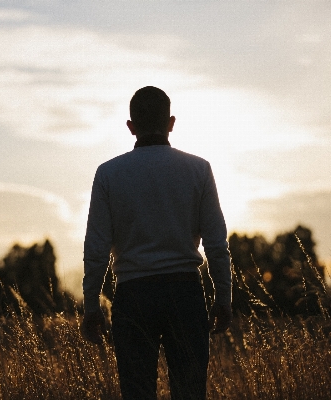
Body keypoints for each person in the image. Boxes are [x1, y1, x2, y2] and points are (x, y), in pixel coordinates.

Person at [82, 86, 232, 400]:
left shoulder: (108, 174)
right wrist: (223, 297)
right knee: (189, 393)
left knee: (137, 393)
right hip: (185, 293)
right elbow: (216, 243)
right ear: (171, 122)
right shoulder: (198, 170)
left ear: (131, 127)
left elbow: (96, 248)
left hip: (133, 295)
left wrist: (92, 305)